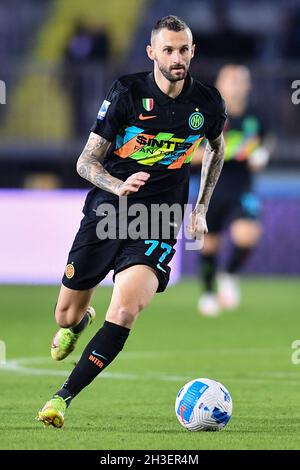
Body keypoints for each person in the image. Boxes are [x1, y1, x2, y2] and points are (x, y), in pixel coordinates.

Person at [37, 15, 226, 428]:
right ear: (152, 53)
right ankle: (78, 322)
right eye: (168, 50)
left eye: (184, 49)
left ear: (193, 51)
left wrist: (200, 208)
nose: (177, 57)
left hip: (157, 219)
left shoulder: (208, 102)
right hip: (107, 212)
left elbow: (217, 147)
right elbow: (85, 161)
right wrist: (117, 184)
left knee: (124, 311)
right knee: (66, 316)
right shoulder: (127, 92)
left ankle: (62, 398)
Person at [195, 64, 269, 316]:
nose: (236, 85)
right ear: (220, 84)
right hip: (210, 189)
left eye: (240, 81)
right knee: (208, 246)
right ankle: (207, 293)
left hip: (241, 187)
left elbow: (266, 141)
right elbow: (189, 154)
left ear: (248, 86)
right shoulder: (207, 115)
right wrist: (228, 153)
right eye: (231, 80)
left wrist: (263, 153)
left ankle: (229, 274)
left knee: (248, 235)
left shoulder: (256, 116)